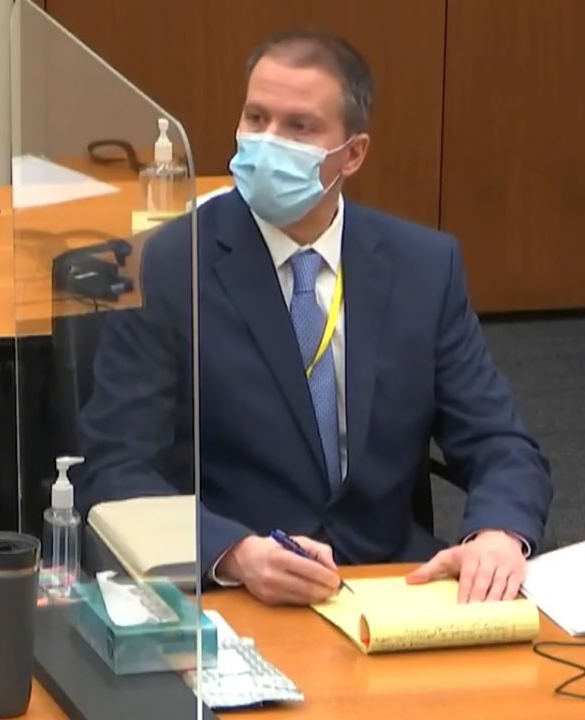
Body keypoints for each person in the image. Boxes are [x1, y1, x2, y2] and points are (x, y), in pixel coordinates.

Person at [75, 30, 552, 607]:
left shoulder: (424, 266)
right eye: (256, 118)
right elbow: (117, 468)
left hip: (393, 586)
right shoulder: (170, 264)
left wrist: (498, 535)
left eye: (298, 127)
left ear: (352, 153)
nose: (267, 142)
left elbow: (500, 442)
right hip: (244, 594)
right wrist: (232, 553)